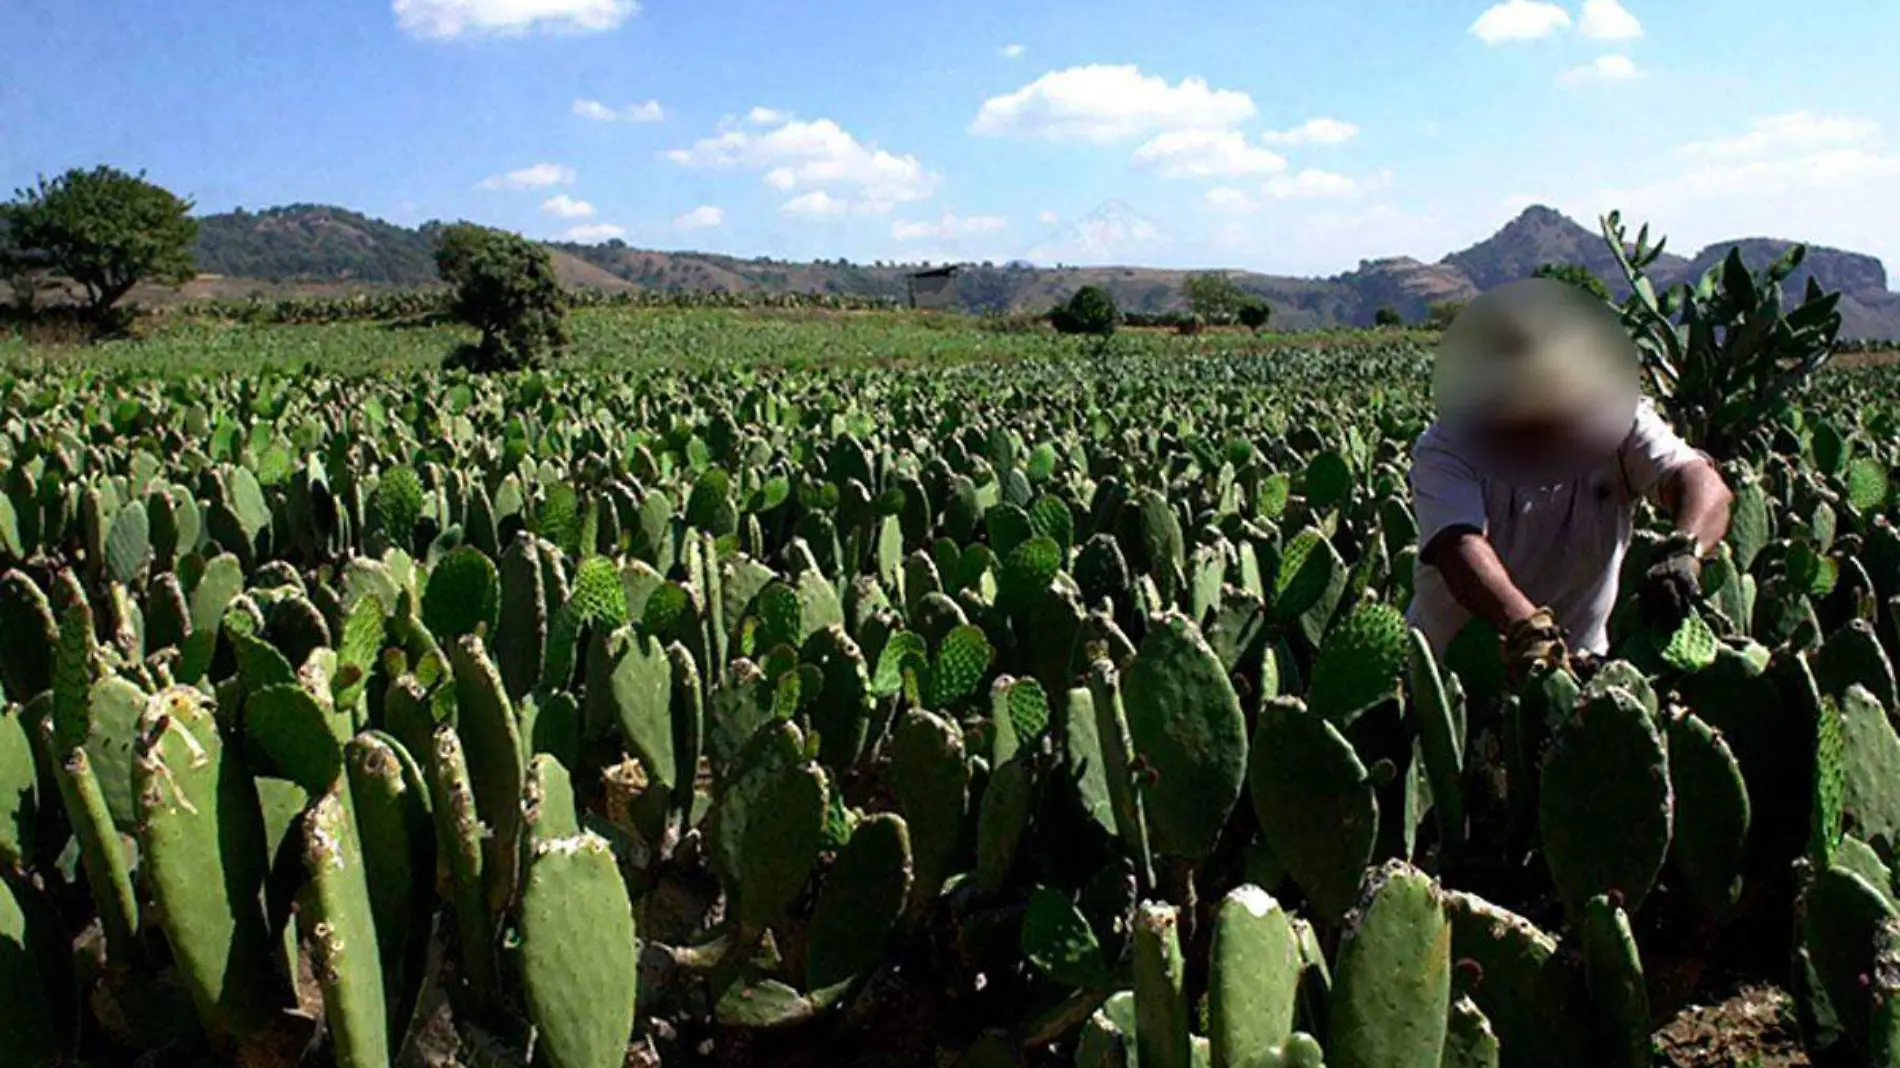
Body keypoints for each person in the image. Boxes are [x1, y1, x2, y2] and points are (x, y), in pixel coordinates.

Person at [1405, 279, 1735, 678]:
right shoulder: (1450, 444)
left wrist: (1685, 551)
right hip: (1457, 677)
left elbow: (1699, 481)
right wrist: (1528, 630)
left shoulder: (1618, 421)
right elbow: (1458, 548)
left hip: (1582, 668)